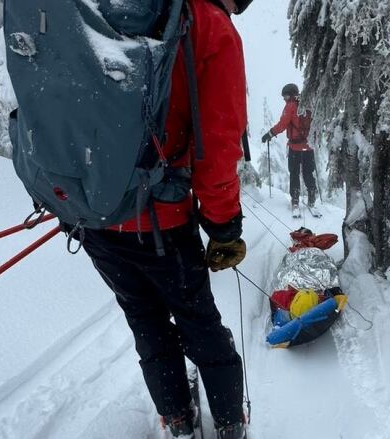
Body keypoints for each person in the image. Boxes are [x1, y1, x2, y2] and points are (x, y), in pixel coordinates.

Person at [81, 0, 252, 438]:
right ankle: (231, 425)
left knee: (145, 320)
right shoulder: (210, 25)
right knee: (199, 324)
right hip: (162, 220)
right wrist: (223, 225)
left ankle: (177, 419)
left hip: (93, 214)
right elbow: (217, 144)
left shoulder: (96, 8)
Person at [261, 84, 320, 217]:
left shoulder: (291, 106)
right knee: (308, 173)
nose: (284, 99)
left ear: (291, 94)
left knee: (294, 174)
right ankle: (312, 197)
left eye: (285, 96)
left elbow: (282, 124)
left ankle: (295, 201)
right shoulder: (308, 103)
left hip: (295, 147)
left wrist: (269, 134)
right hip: (308, 147)